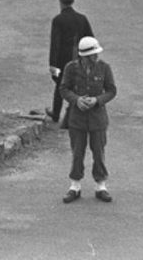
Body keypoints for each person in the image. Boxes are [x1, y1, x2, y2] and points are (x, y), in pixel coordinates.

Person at [61, 36, 117, 204]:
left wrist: (97, 100)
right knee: (77, 152)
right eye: (92, 55)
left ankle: (101, 185)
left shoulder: (104, 68)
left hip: (97, 118)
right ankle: (75, 186)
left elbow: (111, 90)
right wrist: (76, 100)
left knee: (99, 152)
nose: (95, 57)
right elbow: (64, 89)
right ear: (83, 56)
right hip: (77, 118)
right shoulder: (71, 68)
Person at [47, 0, 95, 123]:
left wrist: (52, 64)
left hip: (63, 59)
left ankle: (56, 113)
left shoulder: (58, 20)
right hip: (80, 57)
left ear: (61, 2)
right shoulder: (82, 18)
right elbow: (90, 38)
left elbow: (55, 43)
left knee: (60, 86)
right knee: (77, 84)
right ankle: (73, 114)